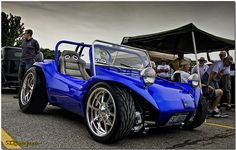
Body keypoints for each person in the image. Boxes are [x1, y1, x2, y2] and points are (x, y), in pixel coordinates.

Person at [14, 29, 40, 98]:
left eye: (25, 33)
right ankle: (20, 94)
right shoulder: (23, 41)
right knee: (20, 77)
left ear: (29, 34)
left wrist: (32, 57)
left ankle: (27, 94)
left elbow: (38, 51)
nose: (24, 34)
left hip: (30, 61)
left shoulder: (34, 42)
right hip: (22, 61)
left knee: (28, 78)